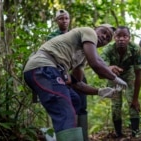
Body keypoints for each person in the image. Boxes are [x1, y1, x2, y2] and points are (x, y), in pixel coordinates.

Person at [23, 24, 127, 141]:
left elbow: (76, 83)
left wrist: (100, 91)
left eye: (108, 38)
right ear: (95, 28)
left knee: (75, 100)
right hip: (43, 68)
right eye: (103, 32)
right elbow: (96, 63)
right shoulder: (88, 31)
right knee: (65, 112)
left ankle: (63, 136)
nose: (104, 36)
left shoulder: (82, 57)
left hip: (47, 71)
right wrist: (115, 78)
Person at [46, 9, 89, 141]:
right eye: (61, 19)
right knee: (67, 103)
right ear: (56, 21)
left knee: (82, 104)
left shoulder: (75, 34)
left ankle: (84, 136)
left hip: (76, 71)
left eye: (66, 18)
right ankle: (70, 135)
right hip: (60, 72)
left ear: (69, 20)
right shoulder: (52, 36)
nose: (64, 21)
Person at [102, 26, 141, 138]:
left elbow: (138, 74)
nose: (121, 39)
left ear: (129, 38)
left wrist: (135, 99)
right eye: (118, 36)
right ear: (114, 38)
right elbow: (101, 67)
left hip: (129, 74)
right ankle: (119, 134)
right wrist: (109, 68)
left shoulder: (135, 49)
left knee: (132, 102)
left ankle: (135, 133)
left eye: (125, 36)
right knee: (116, 105)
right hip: (113, 76)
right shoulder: (108, 49)